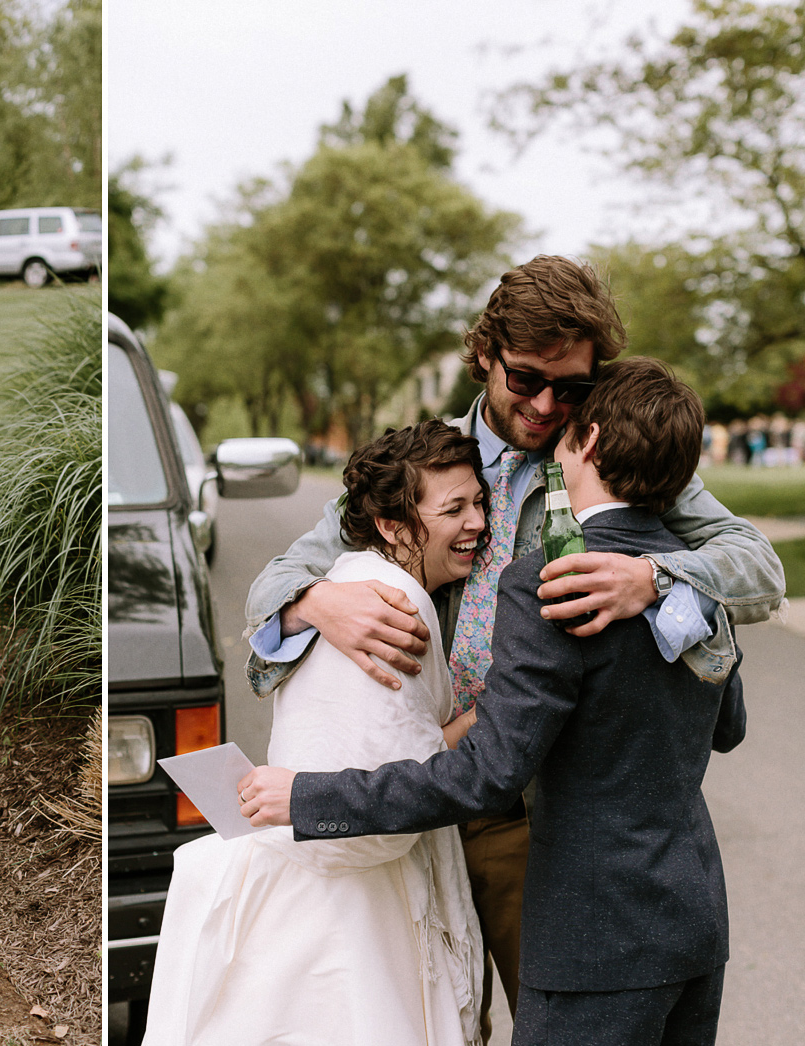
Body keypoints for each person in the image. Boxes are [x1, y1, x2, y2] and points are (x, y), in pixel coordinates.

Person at [244, 255, 783, 1037]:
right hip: (418, 789)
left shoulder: (606, 448)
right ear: (485, 356)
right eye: (526, 379)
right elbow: (280, 577)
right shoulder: (421, 455)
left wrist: (654, 577)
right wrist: (315, 599)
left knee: (563, 1016)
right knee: (430, 1018)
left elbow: (756, 565)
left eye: (571, 388)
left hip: (534, 810)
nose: (545, 406)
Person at [143, 421, 489, 1046]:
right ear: (392, 525)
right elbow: (378, 817)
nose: (477, 523)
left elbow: (394, 741)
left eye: (479, 503)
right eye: (455, 509)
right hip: (356, 904)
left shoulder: (361, 580)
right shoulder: (392, 608)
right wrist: (487, 718)